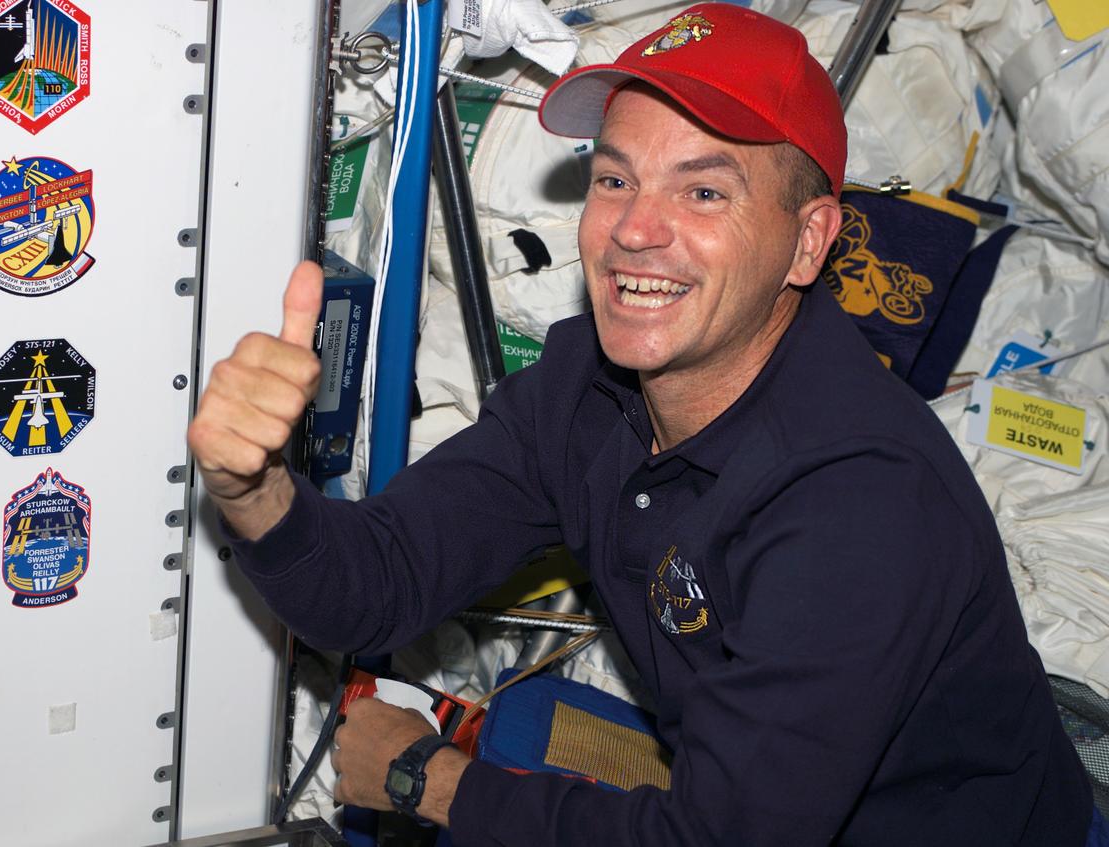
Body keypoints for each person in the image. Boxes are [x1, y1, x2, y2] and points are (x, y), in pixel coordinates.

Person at [187, 4, 1096, 844]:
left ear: (809, 241)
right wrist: (257, 490)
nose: (635, 229)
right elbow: (377, 581)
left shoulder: (858, 501)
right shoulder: (589, 387)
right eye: (615, 177)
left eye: (704, 193)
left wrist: (430, 776)